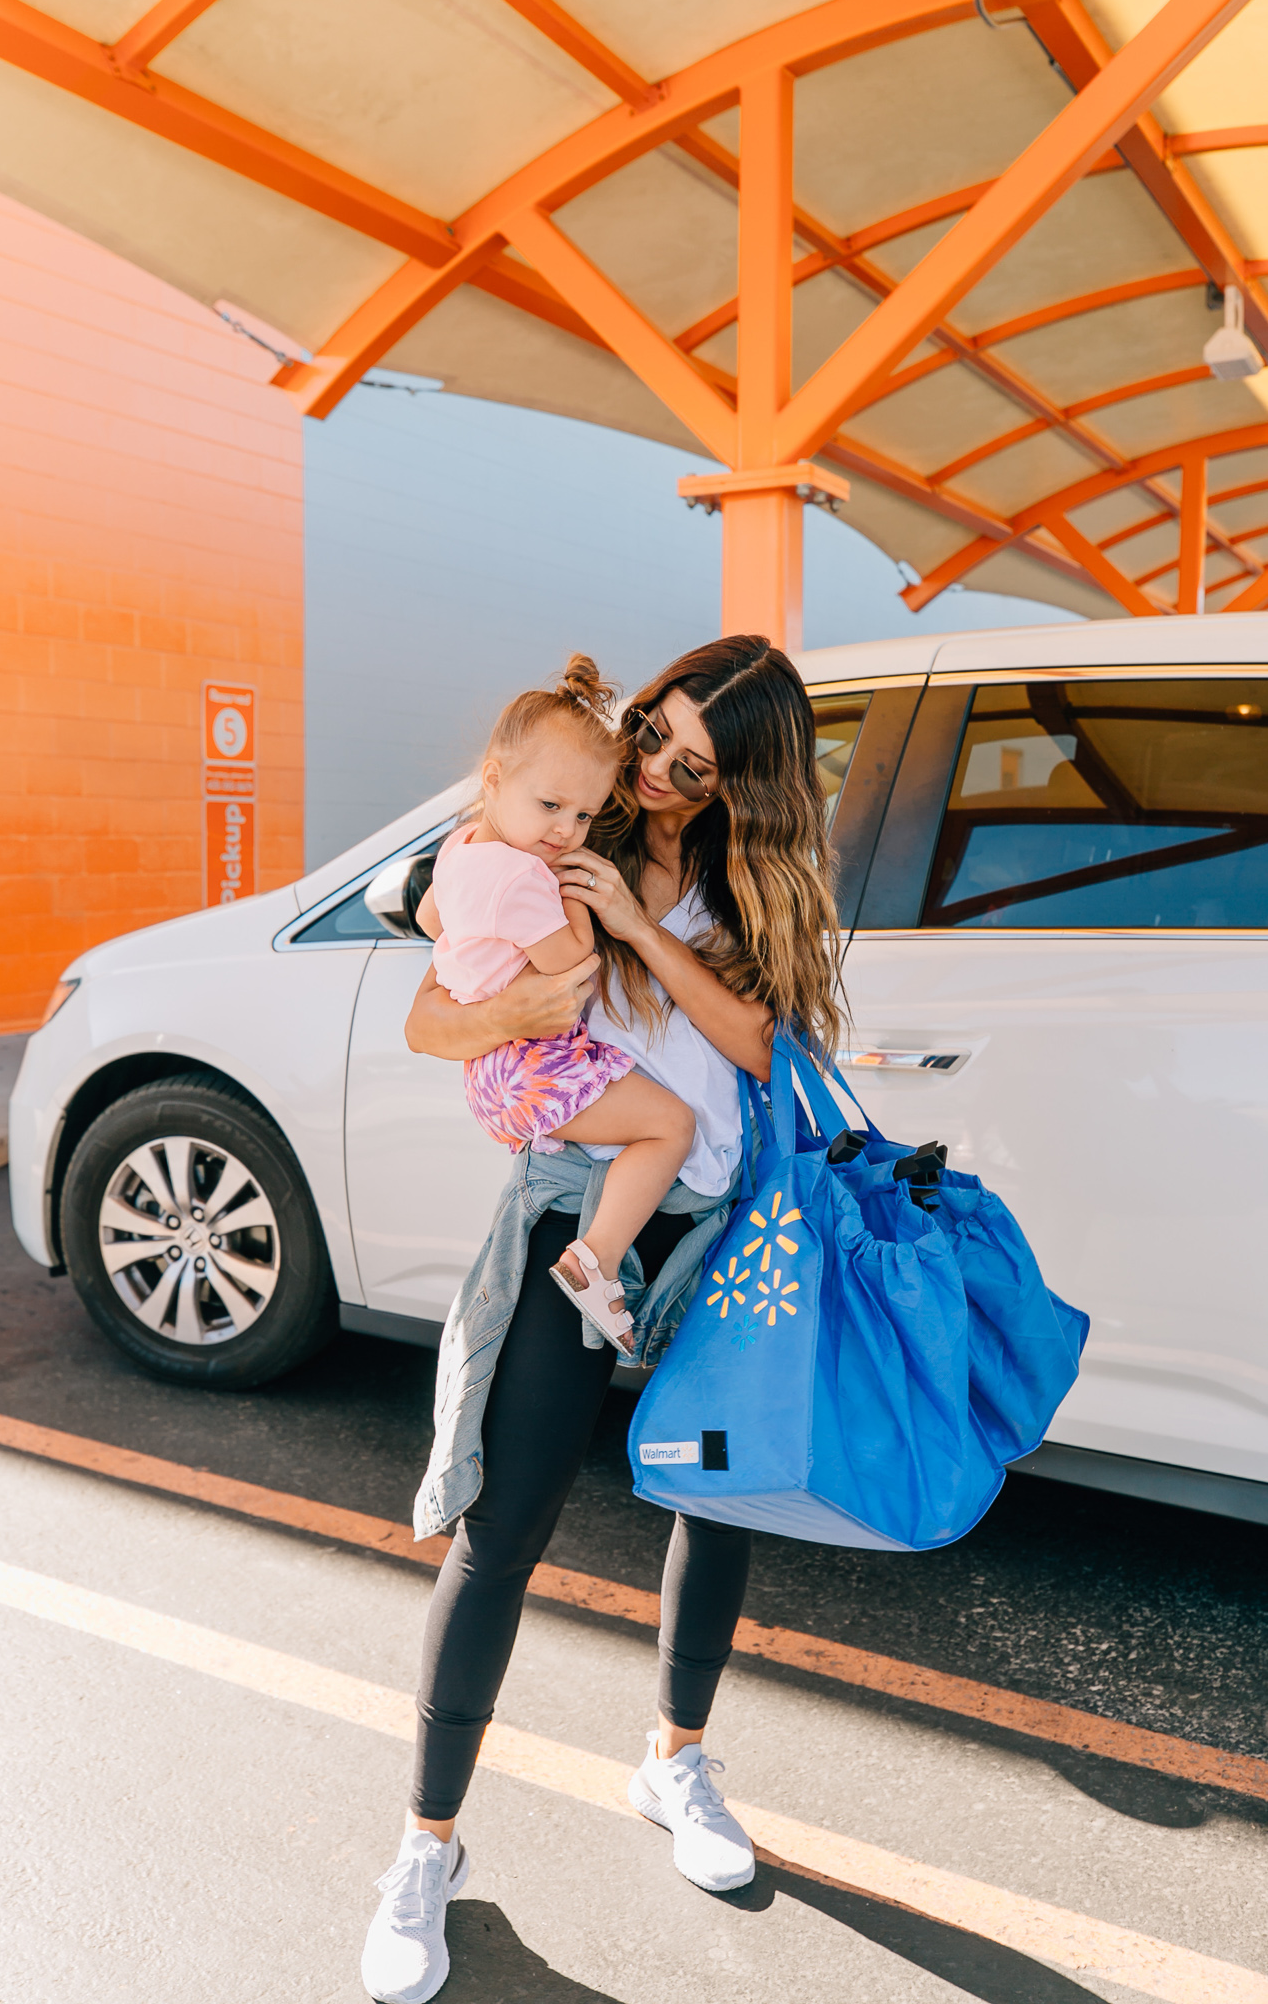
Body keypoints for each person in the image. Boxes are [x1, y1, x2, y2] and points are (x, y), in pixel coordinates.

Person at [360, 635, 843, 2004]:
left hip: (721, 1233)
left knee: (719, 1508)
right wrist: (523, 996)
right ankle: (425, 1846)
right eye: (655, 738)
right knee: (502, 1528)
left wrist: (638, 932)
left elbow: (764, 1049)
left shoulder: (761, 886)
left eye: (696, 766)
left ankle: (675, 1763)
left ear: (749, 784)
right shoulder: (571, 827)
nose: (659, 776)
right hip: (581, 1218)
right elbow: (432, 1023)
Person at [415, 653, 696, 1352]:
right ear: (494, 778)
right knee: (669, 1125)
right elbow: (574, 969)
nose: (565, 832)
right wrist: (572, 897)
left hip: (489, 1070)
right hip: (530, 1059)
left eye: (583, 815)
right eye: (549, 806)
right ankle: (594, 1260)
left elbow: (429, 920)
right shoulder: (527, 879)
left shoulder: (461, 847)